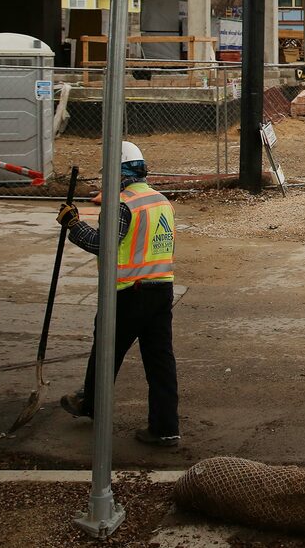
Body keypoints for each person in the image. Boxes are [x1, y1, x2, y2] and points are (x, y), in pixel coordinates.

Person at [57, 141, 181, 447]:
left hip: (128, 293)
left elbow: (104, 244)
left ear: (118, 172)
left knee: (105, 352)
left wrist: (73, 224)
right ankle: (166, 429)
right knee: (160, 363)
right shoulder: (160, 200)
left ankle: (91, 405)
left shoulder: (123, 203)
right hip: (161, 290)